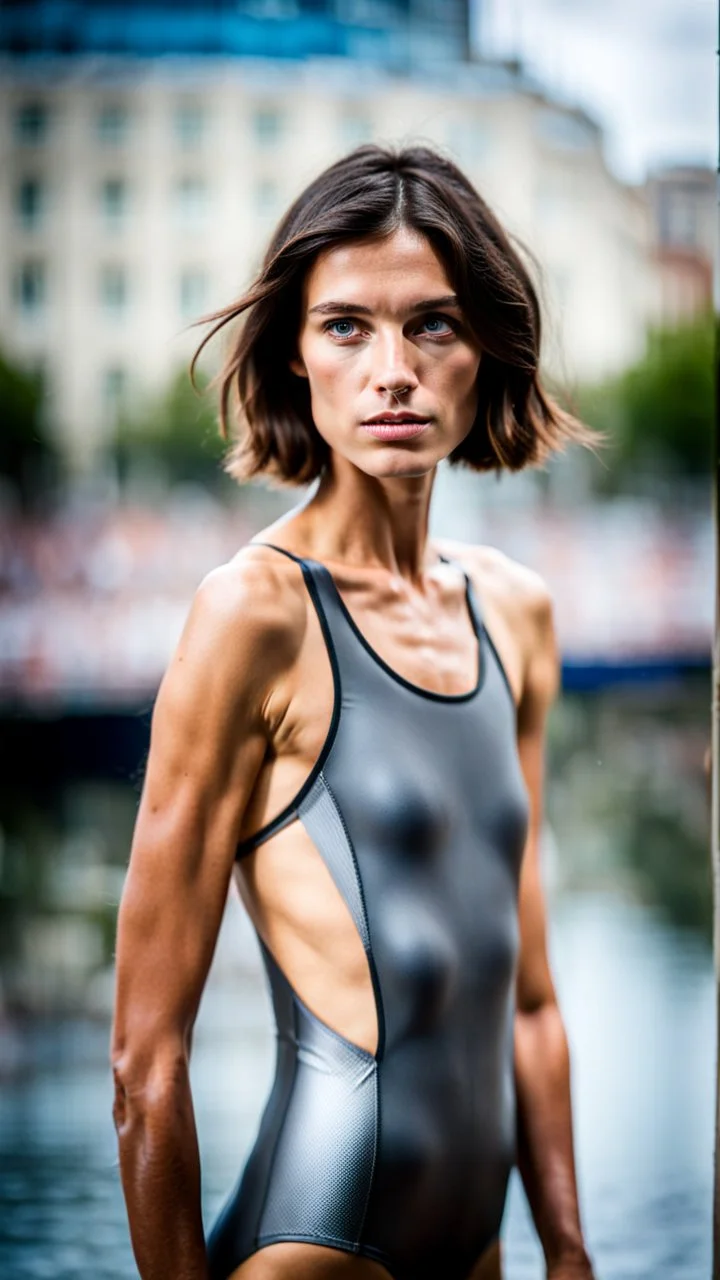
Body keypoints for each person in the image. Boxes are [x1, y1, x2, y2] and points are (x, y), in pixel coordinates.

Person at [110, 145, 596, 1280]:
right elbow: (145, 1059)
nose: (393, 370)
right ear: (296, 350)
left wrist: (568, 1248)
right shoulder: (251, 616)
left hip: (482, 1248)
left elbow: (526, 1000)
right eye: (347, 326)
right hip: (318, 1249)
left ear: (487, 349)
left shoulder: (516, 614)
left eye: (431, 324)